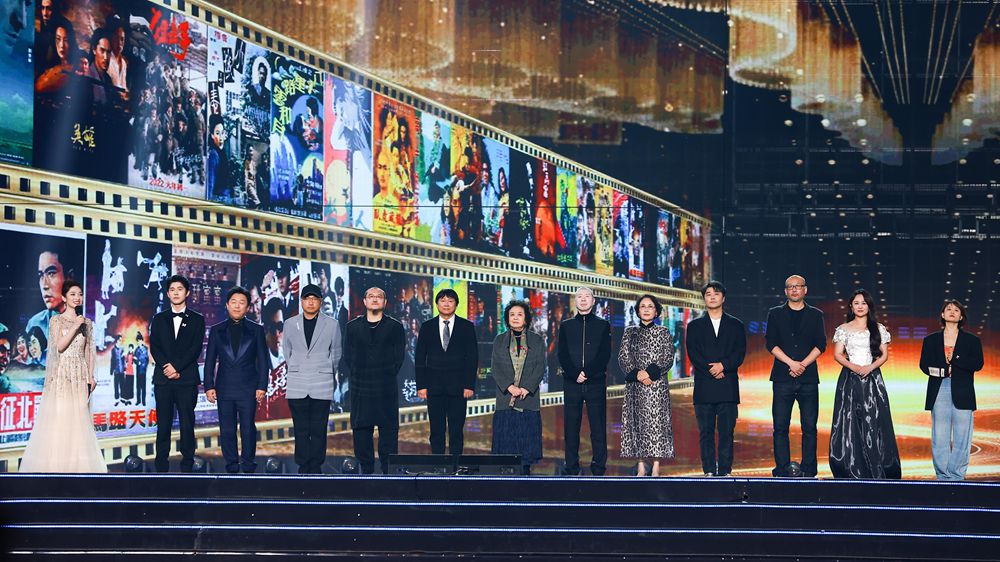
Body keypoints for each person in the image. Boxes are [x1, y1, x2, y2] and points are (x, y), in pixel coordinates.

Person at [18, 280, 107, 472]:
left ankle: (79, 466)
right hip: (62, 375)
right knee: (62, 419)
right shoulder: (56, 321)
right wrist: (75, 326)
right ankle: (58, 466)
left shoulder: (87, 323)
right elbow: (59, 346)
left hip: (80, 376)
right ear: (64, 298)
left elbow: (89, 351)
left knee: (79, 420)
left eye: (80, 294)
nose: (77, 297)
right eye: (73, 294)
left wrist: (91, 376)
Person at [829, 289, 900, 479]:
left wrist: (870, 368)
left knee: (874, 421)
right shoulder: (843, 329)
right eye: (856, 303)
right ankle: (853, 466)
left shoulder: (879, 328)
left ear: (869, 306)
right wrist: (854, 367)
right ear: (851, 306)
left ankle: (876, 466)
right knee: (849, 420)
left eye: (864, 303)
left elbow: (884, 355)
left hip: (872, 379)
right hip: (849, 379)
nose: (860, 306)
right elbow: (837, 355)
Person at [765, 275, 827, 478]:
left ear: (805, 290)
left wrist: (802, 365)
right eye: (790, 287)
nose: (794, 290)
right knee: (780, 427)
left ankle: (808, 469)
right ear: (785, 291)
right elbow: (770, 343)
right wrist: (791, 363)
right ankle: (782, 469)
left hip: (808, 379)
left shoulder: (816, 315)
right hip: (782, 377)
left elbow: (821, 344)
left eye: (798, 286)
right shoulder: (775, 314)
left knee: (809, 427)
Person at [203, 286, 269, 474]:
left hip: (248, 388)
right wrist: (209, 386)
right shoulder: (217, 330)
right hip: (224, 388)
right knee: (227, 429)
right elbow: (210, 361)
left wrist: (262, 386)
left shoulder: (257, 330)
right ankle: (231, 465)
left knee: (248, 428)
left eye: (242, 303)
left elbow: (263, 361)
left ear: (247, 307)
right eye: (233, 302)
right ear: (227, 305)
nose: (237, 306)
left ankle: (248, 464)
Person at [685, 281, 746, 477]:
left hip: (727, 385)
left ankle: (725, 471)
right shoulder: (694, 326)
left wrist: (723, 366)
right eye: (708, 294)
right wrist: (711, 369)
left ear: (723, 298)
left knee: (727, 432)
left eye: (716, 293)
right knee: (706, 432)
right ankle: (709, 471)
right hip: (704, 386)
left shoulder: (736, 325)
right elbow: (693, 353)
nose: (712, 297)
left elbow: (740, 353)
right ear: (704, 299)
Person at [919, 300, 984, 481]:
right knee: (940, 435)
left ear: (961, 316)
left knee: (963, 435)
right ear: (942, 315)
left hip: (963, 390)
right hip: (939, 388)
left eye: (956, 310)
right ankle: (943, 475)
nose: (952, 312)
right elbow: (924, 365)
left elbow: (978, 363)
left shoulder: (972, 340)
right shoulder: (931, 340)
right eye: (948, 309)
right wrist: (943, 371)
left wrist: (956, 360)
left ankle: (957, 475)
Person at [343, 287, 405, 474]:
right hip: (360, 388)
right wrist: (359, 374)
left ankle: (388, 474)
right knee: (361, 432)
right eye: (371, 296)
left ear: (385, 302)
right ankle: (366, 473)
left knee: (389, 433)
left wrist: (384, 373)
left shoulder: (395, 327)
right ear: (364, 301)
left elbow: (399, 358)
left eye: (379, 297)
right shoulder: (352, 327)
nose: (375, 299)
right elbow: (347, 356)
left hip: (386, 388)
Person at [282, 284, 343, 474]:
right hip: (297, 381)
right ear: (301, 301)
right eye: (307, 298)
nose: (310, 302)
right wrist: (298, 368)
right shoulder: (290, 323)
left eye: (314, 299)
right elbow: (287, 352)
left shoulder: (332, 324)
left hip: (322, 381)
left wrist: (325, 370)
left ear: (320, 302)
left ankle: (316, 465)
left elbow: (336, 353)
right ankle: (303, 464)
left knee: (318, 427)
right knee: (300, 427)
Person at [149, 275, 206, 472]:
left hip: (186, 379)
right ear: (167, 293)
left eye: (179, 289)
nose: (175, 293)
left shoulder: (197, 319)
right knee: (163, 423)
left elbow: (195, 349)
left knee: (187, 423)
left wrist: (177, 368)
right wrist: (167, 367)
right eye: (172, 289)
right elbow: (155, 347)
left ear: (187, 293)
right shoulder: (159, 319)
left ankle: (188, 463)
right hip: (163, 379)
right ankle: (161, 464)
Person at [415, 289, 478, 455]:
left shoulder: (466, 326)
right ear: (437, 304)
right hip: (433, 388)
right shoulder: (427, 327)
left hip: (458, 388)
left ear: (456, 304)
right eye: (442, 301)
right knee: (436, 430)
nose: (446, 304)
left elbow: (472, 358)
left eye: (450, 301)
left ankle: (455, 465)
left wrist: (469, 385)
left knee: (456, 431)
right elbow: (420, 358)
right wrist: (421, 385)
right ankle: (438, 465)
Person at [557, 286, 612, 476]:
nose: (583, 299)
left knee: (598, 426)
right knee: (571, 427)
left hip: (595, 382)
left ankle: (598, 466)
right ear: (575, 301)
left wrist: (587, 372)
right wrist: (575, 374)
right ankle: (571, 466)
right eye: (579, 296)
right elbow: (562, 354)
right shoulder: (566, 326)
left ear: (593, 301)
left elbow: (605, 354)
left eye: (587, 296)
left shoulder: (603, 325)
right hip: (572, 383)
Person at [618, 294, 675, 476]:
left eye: (650, 306)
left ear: (656, 311)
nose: (646, 309)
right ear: (637, 311)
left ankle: (656, 465)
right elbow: (623, 357)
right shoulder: (630, 332)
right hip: (635, 387)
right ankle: (641, 465)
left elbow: (668, 358)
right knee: (638, 425)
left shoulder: (663, 332)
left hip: (657, 386)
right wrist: (638, 374)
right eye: (643, 306)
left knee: (657, 424)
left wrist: (650, 373)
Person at [491, 300, 545, 475]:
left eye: (519, 314)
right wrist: (509, 387)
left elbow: (540, 367)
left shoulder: (537, 340)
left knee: (526, 450)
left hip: (528, 399)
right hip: (506, 399)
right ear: (507, 318)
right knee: (506, 449)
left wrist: (526, 388)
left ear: (526, 318)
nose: (515, 318)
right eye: (512, 314)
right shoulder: (499, 340)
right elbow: (495, 368)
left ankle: (525, 477)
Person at [134, 332, 149, 407]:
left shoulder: (146, 349)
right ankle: (138, 401)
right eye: (138, 341)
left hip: (143, 370)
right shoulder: (136, 350)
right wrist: (137, 363)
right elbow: (134, 359)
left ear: (142, 341)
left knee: (143, 386)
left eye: (140, 340)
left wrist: (145, 366)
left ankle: (143, 401)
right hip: (138, 370)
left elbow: (147, 359)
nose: (139, 342)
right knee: (138, 387)